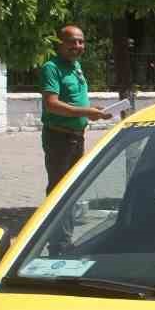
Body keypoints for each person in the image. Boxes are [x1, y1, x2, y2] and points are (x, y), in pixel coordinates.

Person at [40, 25, 107, 194]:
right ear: (59, 44)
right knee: (58, 188)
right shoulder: (51, 67)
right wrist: (86, 112)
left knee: (73, 187)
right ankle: (53, 220)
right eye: (72, 42)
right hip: (59, 138)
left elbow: (75, 100)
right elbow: (51, 104)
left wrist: (92, 111)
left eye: (81, 42)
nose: (77, 46)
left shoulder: (76, 66)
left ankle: (69, 219)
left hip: (77, 136)